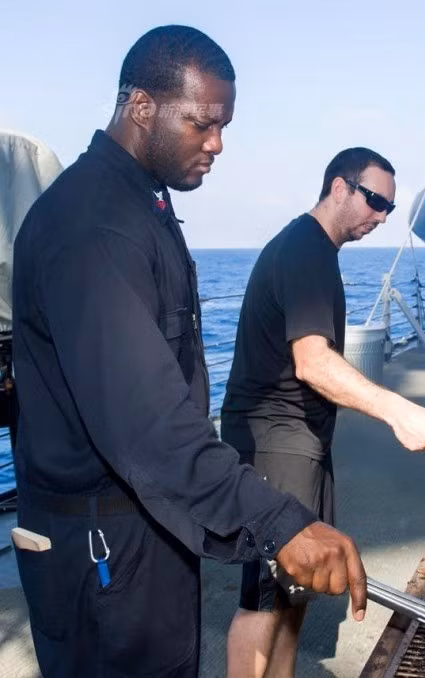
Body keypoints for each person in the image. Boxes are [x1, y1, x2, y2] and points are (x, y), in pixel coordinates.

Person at [11, 26, 367, 678]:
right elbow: (148, 427)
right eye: (202, 124)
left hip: (147, 527)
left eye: (224, 125)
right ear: (140, 106)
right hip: (102, 547)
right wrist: (281, 522)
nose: (217, 144)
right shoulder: (94, 227)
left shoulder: (142, 203)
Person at [221, 147, 425, 677]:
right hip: (275, 442)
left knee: (292, 589)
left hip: (303, 441)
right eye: (374, 200)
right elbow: (312, 363)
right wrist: (398, 411)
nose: (381, 215)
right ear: (339, 187)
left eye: (390, 208)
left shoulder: (316, 252)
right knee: (262, 595)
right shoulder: (305, 249)